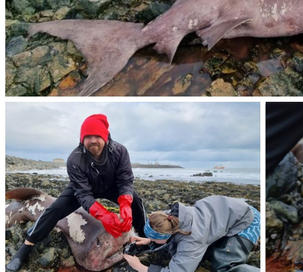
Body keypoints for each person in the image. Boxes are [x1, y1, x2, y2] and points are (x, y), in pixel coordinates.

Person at [7, 114, 147, 272]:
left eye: (97, 136)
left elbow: (125, 180)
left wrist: (126, 203)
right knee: (53, 210)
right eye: (88, 137)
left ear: (105, 136)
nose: (93, 140)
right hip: (83, 189)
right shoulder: (74, 159)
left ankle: (145, 237)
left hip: (111, 186)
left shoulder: (120, 151)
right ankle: (26, 247)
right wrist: (103, 215)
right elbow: (83, 195)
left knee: (136, 202)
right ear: (82, 139)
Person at [123, 195, 260, 272]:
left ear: (166, 235)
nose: (150, 239)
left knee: (225, 267)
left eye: (154, 238)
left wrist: (141, 268)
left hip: (246, 221)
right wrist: (150, 241)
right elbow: (168, 235)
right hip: (227, 213)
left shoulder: (193, 239)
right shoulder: (169, 216)